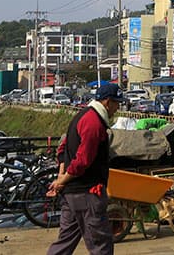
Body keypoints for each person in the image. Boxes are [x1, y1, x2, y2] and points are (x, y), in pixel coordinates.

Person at [46, 83, 125, 255]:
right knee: (101, 245)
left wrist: (61, 178)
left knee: (64, 243)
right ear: (107, 102)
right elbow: (83, 160)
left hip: (71, 194)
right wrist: (62, 180)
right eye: (117, 103)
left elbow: (63, 148)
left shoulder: (82, 116)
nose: (117, 108)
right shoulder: (94, 123)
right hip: (86, 193)